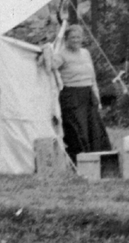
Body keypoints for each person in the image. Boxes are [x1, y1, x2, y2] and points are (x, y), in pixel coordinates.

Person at [47, 25, 112, 164]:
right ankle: (78, 161)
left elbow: (92, 76)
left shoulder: (85, 53)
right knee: (77, 129)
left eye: (78, 37)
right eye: (72, 38)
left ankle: (98, 159)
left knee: (94, 128)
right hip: (72, 96)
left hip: (88, 94)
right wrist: (47, 51)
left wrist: (96, 96)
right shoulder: (61, 55)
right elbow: (50, 66)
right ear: (66, 39)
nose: (76, 40)